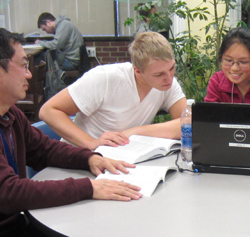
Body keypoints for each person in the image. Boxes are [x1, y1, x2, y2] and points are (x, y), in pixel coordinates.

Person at [0, 28, 142, 237]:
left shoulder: (5, 112)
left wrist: (89, 158)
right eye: (23, 65)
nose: (30, 74)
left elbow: (44, 150)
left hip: (3, 224)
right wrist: (89, 188)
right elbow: (9, 193)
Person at [39, 32, 187, 150]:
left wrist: (135, 131)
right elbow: (49, 111)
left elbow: (187, 124)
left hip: (119, 155)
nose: (169, 77)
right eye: (158, 74)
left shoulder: (167, 83)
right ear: (138, 72)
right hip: (79, 156)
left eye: (172, 68)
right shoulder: (105, 78)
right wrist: (90, 143)